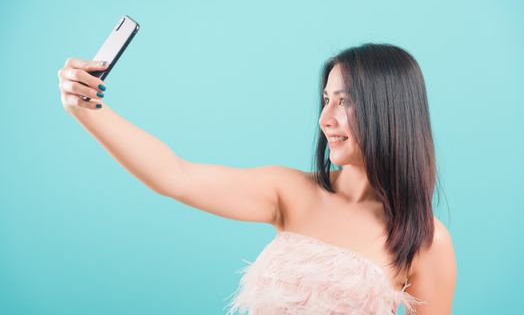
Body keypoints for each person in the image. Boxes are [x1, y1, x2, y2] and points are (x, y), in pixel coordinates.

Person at [57, 43, 456, 314]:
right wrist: (85, 108)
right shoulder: (288, 192)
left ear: (388, 109)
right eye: (326, 100)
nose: (326, 119)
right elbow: (175, 176)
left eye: (345, 101)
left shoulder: (424, 239)